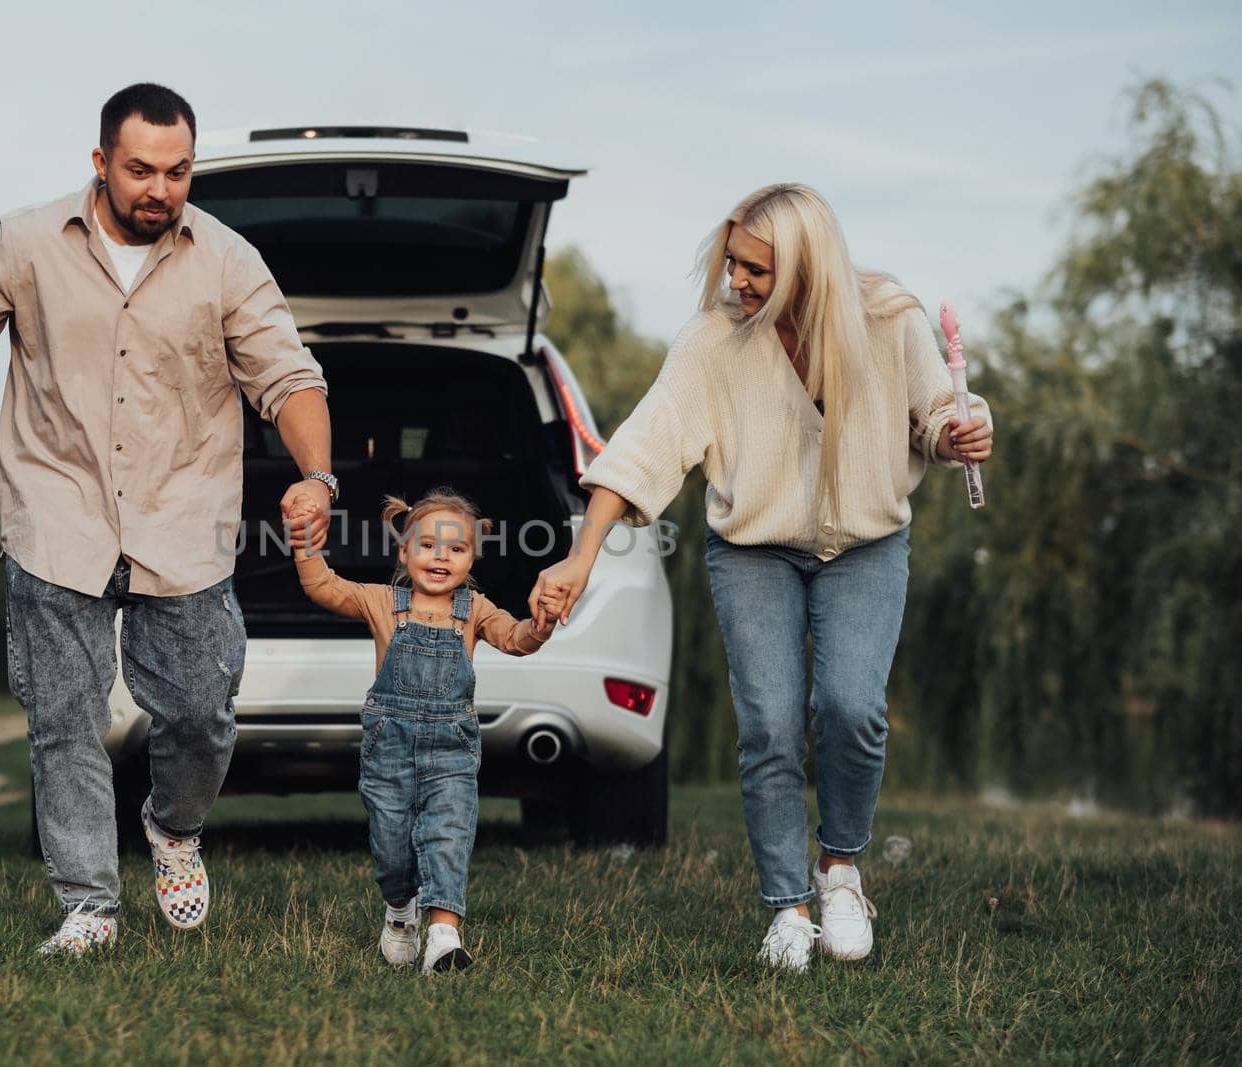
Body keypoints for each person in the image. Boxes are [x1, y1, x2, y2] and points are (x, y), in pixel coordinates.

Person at [0, 83, 338, 956]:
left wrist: (318, 475)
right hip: (55, 513)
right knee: (64, 719)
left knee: (199, 710)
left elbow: (290, 376)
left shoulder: (227, 260)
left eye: (178, 171)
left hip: (183, 520)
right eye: (141, 169)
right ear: (101, 162)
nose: (160, 189)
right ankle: (89, 904)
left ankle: (173, 826)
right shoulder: (26, 242)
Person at [530, 183, 994, 973]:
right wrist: (580, 554)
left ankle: (839, 870)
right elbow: (646, 444)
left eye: (754, 269)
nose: (734, 282)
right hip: (754, 551)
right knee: (770, 726)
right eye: (732, 263)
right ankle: (787, 907)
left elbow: (934, 414)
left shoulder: (891, 320)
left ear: (807, 270)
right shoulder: (715, 342)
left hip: (868, 545)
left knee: (851, 708)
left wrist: (963, 427)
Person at [288, 489, 558, 972]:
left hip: (451, 753)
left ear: (472, 558)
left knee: (448, 836)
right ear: (404, 551)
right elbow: (324, 588)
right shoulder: (381, 602)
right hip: (389, 751)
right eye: (429, 545)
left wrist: (541, 624)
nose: (441, 557)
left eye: (456, 549)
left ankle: (443, 935)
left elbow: (516, 640)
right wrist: (305, 544)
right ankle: (399, 913)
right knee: (392, 849)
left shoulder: (475, 610)